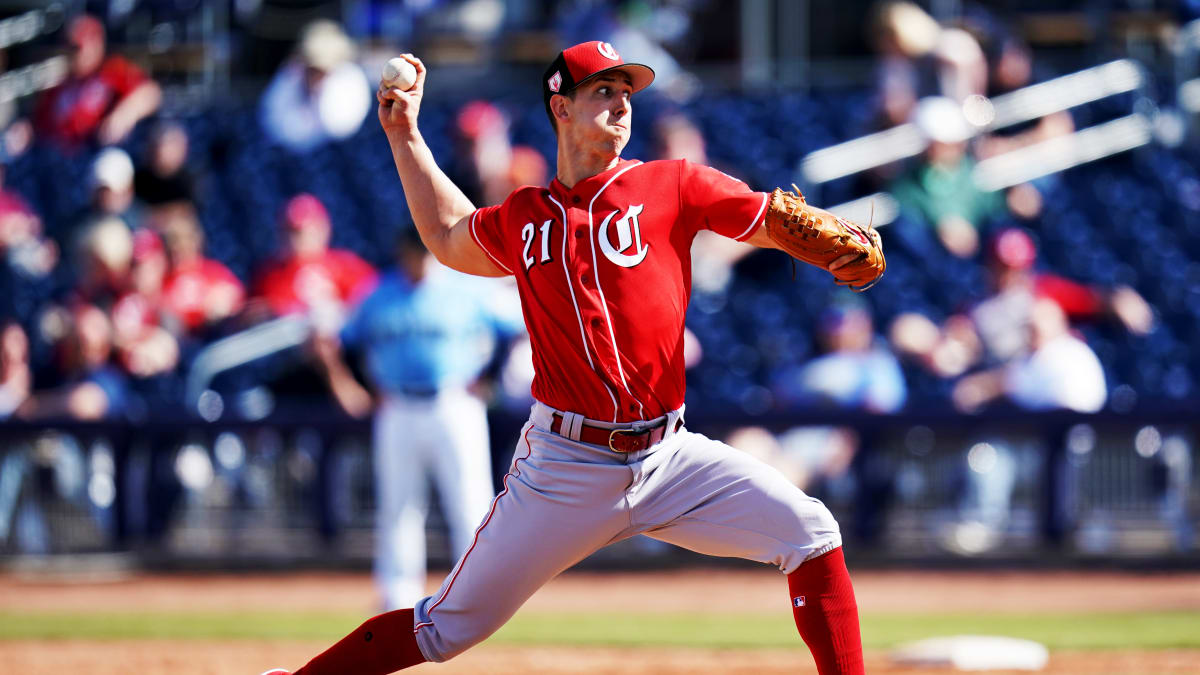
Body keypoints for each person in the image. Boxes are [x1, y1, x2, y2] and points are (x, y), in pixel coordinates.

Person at [263, 41, 883, 675]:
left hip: (669, 455)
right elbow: (449, 237)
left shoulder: (671, 183)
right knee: (443, 629)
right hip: (564, 467)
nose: (621, 107)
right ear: (561, 107)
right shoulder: (526, 217)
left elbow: (765, 220)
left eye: (626, 94)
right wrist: (405, 136)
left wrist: (828, 241)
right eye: (603, 93)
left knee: (812, 534)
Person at [313, 227, 519, 610]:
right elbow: (341, 340)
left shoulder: (467, 288)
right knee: (399, 504)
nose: (420, 261)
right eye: (414, 253)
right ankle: (397, 596)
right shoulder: (378, 293)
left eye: (426, 254)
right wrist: (350, 386)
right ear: (401, 252)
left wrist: (490, 378)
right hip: (397, 407)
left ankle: (481, 591)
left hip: (454, 403)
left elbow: (515, 328)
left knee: (470, 499)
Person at [33, 14, 162, 149]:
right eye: (69, 47)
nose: (72, 54)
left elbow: (150, 93)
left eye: (77, 48)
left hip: (97, 149)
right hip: (63, 155)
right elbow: (40, 124)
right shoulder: (60, 84)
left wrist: (123, 115)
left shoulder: (111, 70)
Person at [259, 19, 372, 153]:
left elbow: (339, 128)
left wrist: (320, 92)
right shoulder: (293, 73)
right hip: (291, 154)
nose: (315, 72)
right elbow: (272, 119)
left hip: (341, 155)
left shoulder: (350, 76)